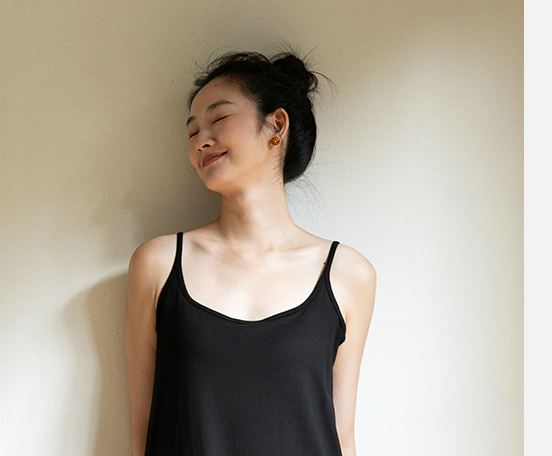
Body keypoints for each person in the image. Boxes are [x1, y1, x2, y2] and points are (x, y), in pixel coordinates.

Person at [125, 50, 376, 456]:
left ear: (277, 125)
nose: (201, 140)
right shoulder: (159, 264)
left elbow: (342, 433)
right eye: (192, 132)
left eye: (219, 119)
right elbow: (142, 436)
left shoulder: (348, 274)